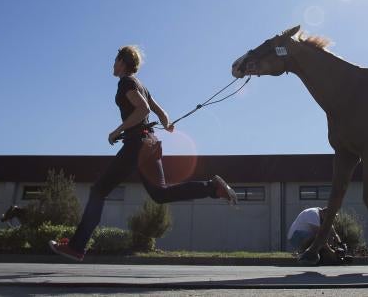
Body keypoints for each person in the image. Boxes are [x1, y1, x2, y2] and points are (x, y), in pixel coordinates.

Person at [49, 45, 238, 262]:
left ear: (122, 62)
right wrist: (166, 124)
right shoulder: (141, 86)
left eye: (115, 60)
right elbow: (160, 112)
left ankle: (76, 246)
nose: (112, 64)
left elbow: (143, 110)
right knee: (161, 194)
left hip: (136, 145)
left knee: (99, 190)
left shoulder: (126, 83)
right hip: (150, 144)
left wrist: (117, 130)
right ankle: (212, 188)